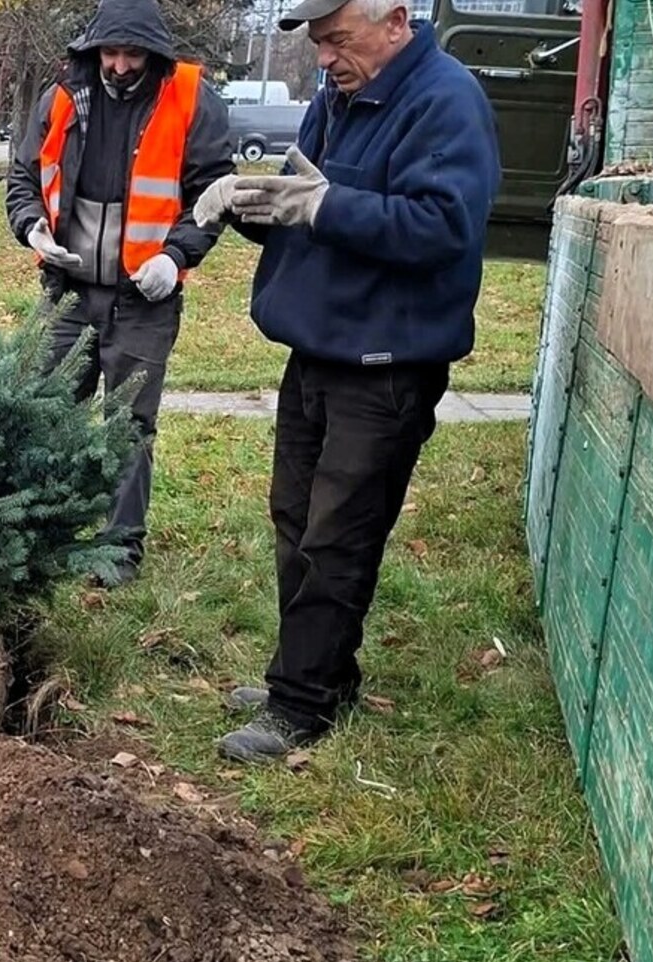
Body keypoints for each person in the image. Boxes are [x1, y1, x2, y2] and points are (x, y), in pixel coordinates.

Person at [193, 0, 501, 762]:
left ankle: (299, 705)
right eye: (318, 44)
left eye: (338, 40)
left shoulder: (445, 100)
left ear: (394, 21)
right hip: (317, 350)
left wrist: (326, 205)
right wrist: (250, 202)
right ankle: (320, 672)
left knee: (338, 536)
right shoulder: (338, 98)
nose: (325, 59)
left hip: (386, 364)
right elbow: (306, 206)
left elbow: (443, 228)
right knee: (296, 520)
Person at [4, 0, 232, 590]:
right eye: (111, 52)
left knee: (128, 425)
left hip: (143, 298)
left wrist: (175, 256)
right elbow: (23, 177)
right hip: (69, 292)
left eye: (133, 54)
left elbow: (212, 192)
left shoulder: (189, 98)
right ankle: (32, 534)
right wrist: (32, 227)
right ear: (94, 50)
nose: (121, 65)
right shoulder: (63, 97)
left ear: (154, 54)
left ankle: (119, 549)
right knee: (43, 412)